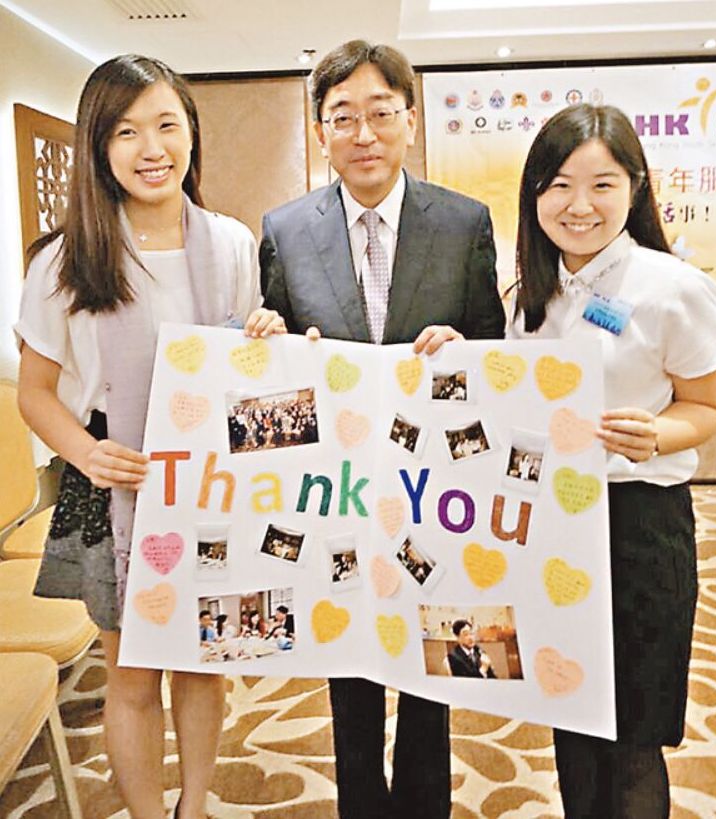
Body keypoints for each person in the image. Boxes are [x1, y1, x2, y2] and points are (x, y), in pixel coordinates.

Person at [15, 54, 286, 819]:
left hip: (212, 479)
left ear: (192, 135)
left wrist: (266, 338)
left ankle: (191, 806)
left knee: (204, 662)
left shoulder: (232, 243)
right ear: (99, 145)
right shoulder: (65, 258)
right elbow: (35, 393)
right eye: (127, 131)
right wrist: (85, 452)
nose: (152, 148)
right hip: (115, 478)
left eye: (167, 125)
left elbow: (246, 371)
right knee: (132, 674)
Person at [260, 39, 505, 819]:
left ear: (410, 120)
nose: (363, 134)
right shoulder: (285, 229)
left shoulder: (464, 222)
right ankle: (360, 802)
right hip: (336, 488)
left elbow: (494, 349)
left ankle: (426, 803)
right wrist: (270, 339)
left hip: (432, 482)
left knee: (431, 650)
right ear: (321, 131)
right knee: (350, 655)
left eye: (380, 113)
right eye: (343, 117)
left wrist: (464, 350)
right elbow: (274, 355)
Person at [509, 103, 716, 818]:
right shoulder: (527, 294)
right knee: (572, 715)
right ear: (534, 194)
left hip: (639, 524)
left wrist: (657, 434)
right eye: (559, 185)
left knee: (635, 731)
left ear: (635, 188)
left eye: (602, 185)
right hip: (552, 526)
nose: (579, 206)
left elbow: (708, 407)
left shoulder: (672, 287)